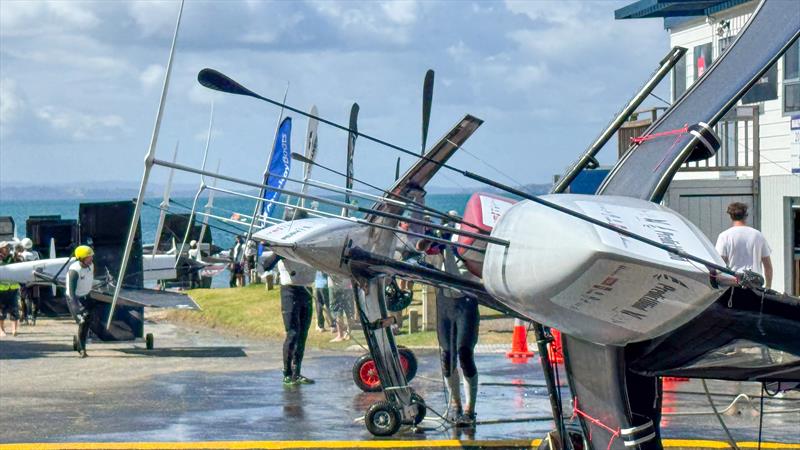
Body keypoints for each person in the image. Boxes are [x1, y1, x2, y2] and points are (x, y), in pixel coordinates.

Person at [424, 218, 480, 428]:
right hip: (445, 302)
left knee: (464, 353)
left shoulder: (467, 244)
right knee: (447, 356)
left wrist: (453, 245)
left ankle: (469, 409)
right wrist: (435, 237)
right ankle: (455, 405)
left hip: (466, 301)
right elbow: (424, 249)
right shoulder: (439, 243)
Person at [276, 257, 317, 385]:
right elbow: (266, 264)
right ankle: (287, 373)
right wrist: (280, 253)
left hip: (306, 289)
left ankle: (296, 372)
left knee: (303, 333)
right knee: (293, 333)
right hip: (290, 290)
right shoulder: (283, 248)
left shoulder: (307, 248)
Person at [715, 202, 773, 289]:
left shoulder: (724, 236)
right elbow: (768, 266)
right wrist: (768, 287)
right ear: (746, 215)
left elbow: (719, 264)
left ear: (730, 216)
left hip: (734, 284)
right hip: (755, 285)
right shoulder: (758, 235)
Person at [66, 245, 96, 358]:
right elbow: (71, 292)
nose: (92, 258)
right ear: (82, 258)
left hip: (86, 296)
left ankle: (78, 340)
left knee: (89, 319)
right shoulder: (74, 271)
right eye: (89, 257)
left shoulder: (91, 265)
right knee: (82, 321)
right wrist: (76, 308)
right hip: (74, 298)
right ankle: (82, 349)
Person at [0, 241, 21, 337]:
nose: (7, 249)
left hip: (13, 288)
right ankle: (1, 330)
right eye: (5, 247)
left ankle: (14, 330)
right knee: (1, 312)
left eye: (8, 247)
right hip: (1, 290)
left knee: (14, 310)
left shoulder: (13, 258)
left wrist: (18, 257)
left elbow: (21, 266)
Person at [18, 238, 39, 325]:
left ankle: (25, 317)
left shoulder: (21, 255)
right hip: (35, 279)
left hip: (24, 279)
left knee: (23, 298)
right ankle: (33, 318)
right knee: (35, 299)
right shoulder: (35, 254)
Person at [328, 275, 354, 343]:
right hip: (348, 285)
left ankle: (340, 335)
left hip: (335, 286)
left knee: (338, 311)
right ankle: (349, 333)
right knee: (349, 311)